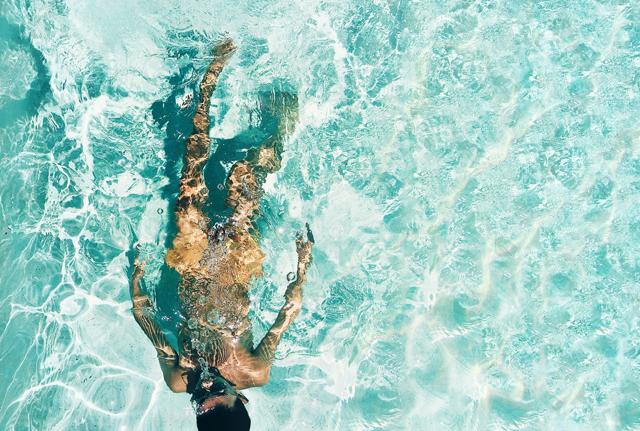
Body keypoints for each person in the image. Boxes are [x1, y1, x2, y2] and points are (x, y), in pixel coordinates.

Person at [129, 38, 313, 430]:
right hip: (236, 265)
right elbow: (286, 315)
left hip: (192, 264)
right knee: (247, 177)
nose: (206, 383)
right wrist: (303, 264)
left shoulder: (181, 380)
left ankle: (209, 82)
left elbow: (149, 325)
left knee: (190, 175)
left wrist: (137, 284)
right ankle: (278, 125)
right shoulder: (254, 370)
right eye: (219, 390)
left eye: (201, 396)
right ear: (241, 396)